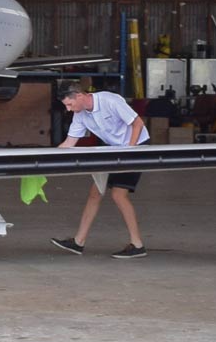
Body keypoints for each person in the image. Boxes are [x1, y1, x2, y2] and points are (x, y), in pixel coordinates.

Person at [49, 80, 150, 259]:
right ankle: (78, 242)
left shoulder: (110, 101)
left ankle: (137, 244)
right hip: (114, 151)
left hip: (135, 147)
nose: (69, 109)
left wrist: (129, 151)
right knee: (95, 193)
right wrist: (45, 161)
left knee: (119, 194)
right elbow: (69, 144)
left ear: (79, 96)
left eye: (70, 104)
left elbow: (138, 124)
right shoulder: (80, 114)